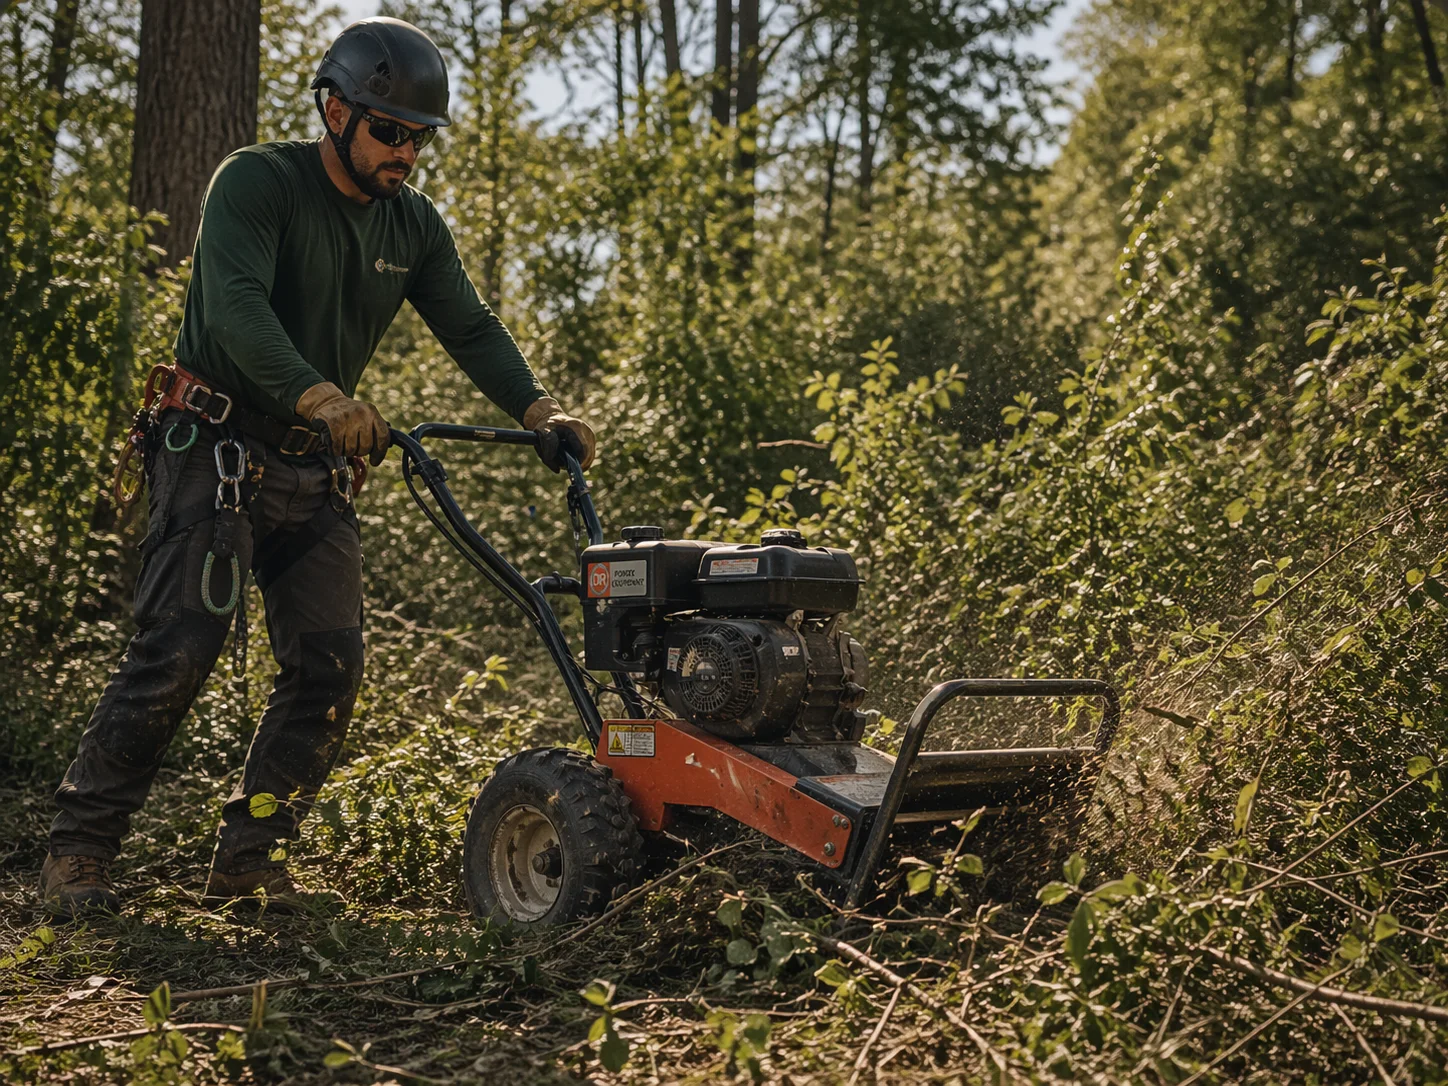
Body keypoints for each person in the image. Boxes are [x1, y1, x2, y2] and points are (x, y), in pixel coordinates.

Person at [39, 17, 593, 918]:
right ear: (335, 109)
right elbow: (234, 309)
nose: (405, 153)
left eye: (419, 138)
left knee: (329, 671)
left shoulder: (413, 224)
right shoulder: (258, 183)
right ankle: (80, 851)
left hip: (314, 470)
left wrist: (538, 410)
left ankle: (248, 860)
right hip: (213, 444)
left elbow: (471, 325)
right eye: (388, 129)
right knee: (180, 648)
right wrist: (325, 397)